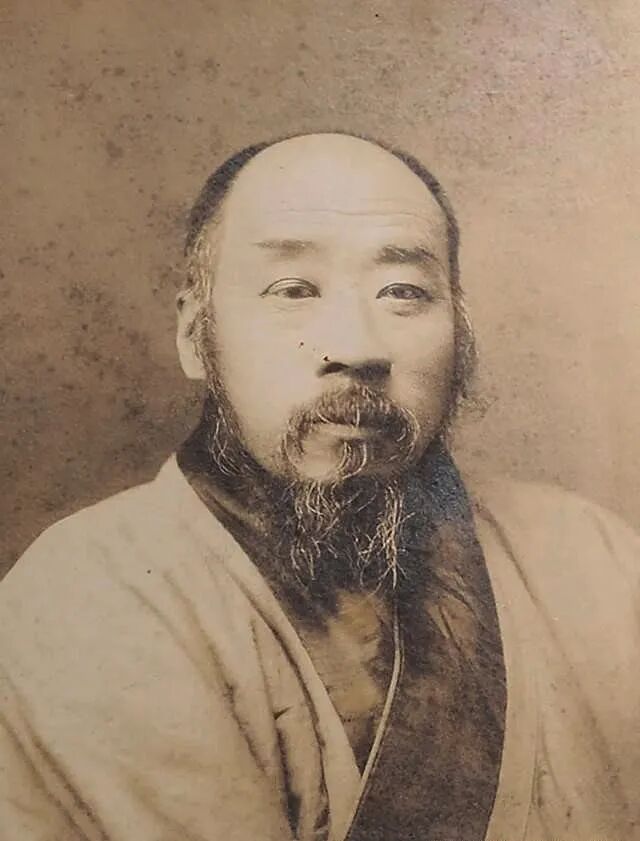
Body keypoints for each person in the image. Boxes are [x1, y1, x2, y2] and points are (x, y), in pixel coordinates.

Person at [0, 131, 638, 841]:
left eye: (403, 292)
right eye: (294, 290)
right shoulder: (93, 589)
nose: (357, 348)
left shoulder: (596, 557)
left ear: (459, 332)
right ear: (194, 336)